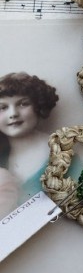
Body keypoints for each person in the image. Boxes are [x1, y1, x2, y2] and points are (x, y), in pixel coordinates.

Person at [0, 72, 59, 204]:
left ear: (38, 106)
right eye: (2, 107)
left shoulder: (57, 149)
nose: (13, 114)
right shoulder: (2, 154)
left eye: (23, 104)